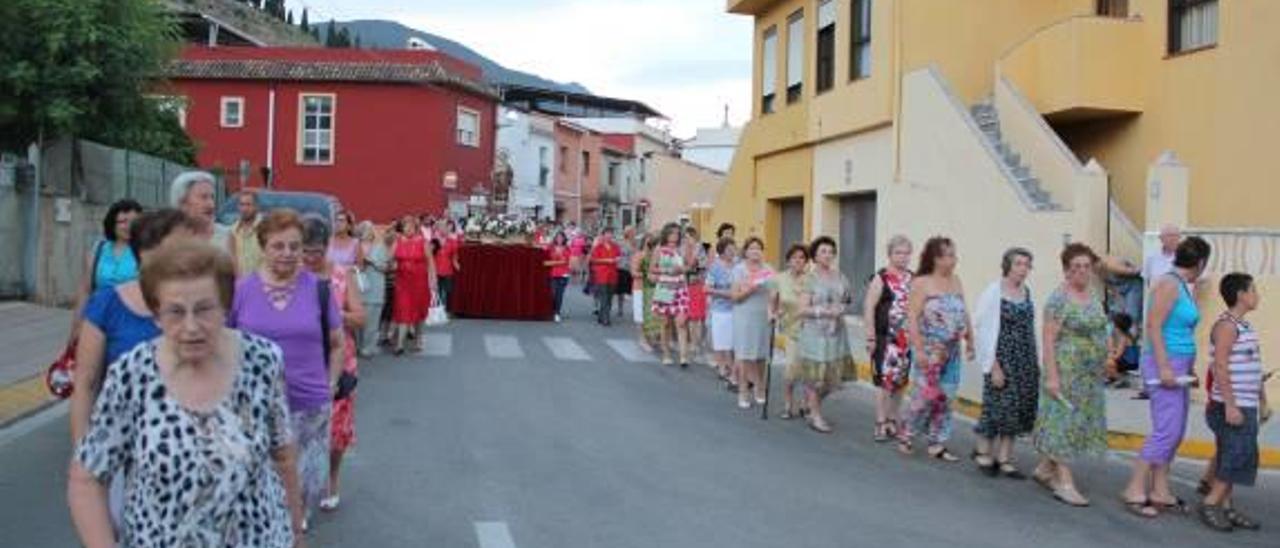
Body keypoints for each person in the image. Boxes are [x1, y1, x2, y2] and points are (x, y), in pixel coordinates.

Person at [67, 240, 303, 547]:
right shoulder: (132, 375)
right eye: (175, 312)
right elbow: (87, 478)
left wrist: (296, 532)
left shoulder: (263, 360)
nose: (191, 327)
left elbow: (282, 453)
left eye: (204, 309)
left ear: (225, 307)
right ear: (155, 314)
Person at [229, 209, 345, 530]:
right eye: (279, 246)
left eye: (294, 246)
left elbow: (337, 342)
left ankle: (294, 521)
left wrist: (331, 382)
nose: (288, 254)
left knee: (306, 477)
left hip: (309, 403)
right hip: (254, 406)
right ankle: (270, 525)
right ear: (263, 246)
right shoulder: (241, 291)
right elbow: (224, 344)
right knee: (259, 476)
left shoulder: (318, 289)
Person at [1121, 236, 1212, 516]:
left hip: (1178, 364)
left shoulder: (1182, 285)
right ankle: (1135, 488)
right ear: (1200, 262)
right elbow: (1154, 326)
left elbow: (1179, 329)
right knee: (1166, 431)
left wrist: (1189, 368)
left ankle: (1160, 490)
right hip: (1165, 363)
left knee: (1175, 431)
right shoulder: (1169, 283)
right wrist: (1164, 368)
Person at [1032, 243, 1109, 507]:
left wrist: (1105, 358)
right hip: (1065, 371)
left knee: (1074, 424)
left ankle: (1045, 468)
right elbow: (1048, 339)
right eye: (1076, 266)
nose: (1082, 271)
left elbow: (1101, 328)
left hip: (1087, 376)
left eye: (1087, 266)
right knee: (1062, 423)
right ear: (1066, 270)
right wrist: (1052, 377)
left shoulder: (1093, 296)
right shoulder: (1058, 299)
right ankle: (1064, 483)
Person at [298, 216, 366, 513]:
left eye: (315, 251)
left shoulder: (342, 274)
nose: (310, 258)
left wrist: (334, 314)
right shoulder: (294, 275)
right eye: (305, 251)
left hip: (341, 360)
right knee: (300, 429)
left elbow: (361, 317)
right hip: (302, 361)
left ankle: (332, 479)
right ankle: (299, 493)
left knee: (337, 429)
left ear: (326, 247)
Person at [1199, 273, 1267, 532]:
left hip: (1245, 403)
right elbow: (1219, 366)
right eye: (1253, 289)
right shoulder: (1227, 326)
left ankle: (1225, 508)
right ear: (1241, 294)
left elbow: (1253, 365)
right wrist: (1230, 405)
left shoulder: (1245, 326)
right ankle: (1210, 503)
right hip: (1231, 405)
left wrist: (1262, 400)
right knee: (1238, 456)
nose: (1257, 294)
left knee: (1235, 455)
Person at [899, 237, 974, 461]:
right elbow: (911, 317)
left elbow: (964, 311)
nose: (954, 259)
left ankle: (937, 442)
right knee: (924, 397)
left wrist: (970, 338)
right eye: (949, 255)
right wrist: (919, 350)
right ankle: (907, 434)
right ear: (936, 258)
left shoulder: (956, 280)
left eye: (954, 254)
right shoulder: (922, 283)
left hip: (952, 351)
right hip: (930, 351)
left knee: (946, 397)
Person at [971, 247, 1039, 478]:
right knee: (995, 406)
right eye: (1018, 263)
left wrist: (1034, 363)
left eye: (1027, 264)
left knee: (1016, 410)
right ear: (1008, 265)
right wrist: (993, 366)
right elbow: (981, 328)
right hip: (1001, 358)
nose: (1023, 269)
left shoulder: (1026, 292)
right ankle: (983, 451)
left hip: (1024, 359)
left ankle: (1005, 458)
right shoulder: (994, 291)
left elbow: (1029, 328)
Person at [793, 237, 854, 434]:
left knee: (833, 379)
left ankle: (810, 403)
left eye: (830, 251)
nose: (828, 255)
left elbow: (848, 300)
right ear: (815, 255)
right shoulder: (808, 279)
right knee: (816, 378)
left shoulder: (840, 276)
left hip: (836, 333)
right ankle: (815, 415)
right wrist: (825, 312)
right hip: (814, 334)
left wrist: (841, 308)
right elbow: (801, 309)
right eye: (823, 251)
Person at [66, 199, 144, 351]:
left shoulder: (145, 250)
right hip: (98, 318)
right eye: (122, 221)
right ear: (112, 224)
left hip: (130, 318)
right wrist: (76, 326)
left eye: (134, 222)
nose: (128, 226)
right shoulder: (99, 248)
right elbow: (85, 290)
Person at [863, 235, 914, 442]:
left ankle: (893, 419)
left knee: (900, 382)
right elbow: (868, 308)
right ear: (890, 254)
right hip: (886, 339)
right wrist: (870, 337)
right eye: (898, 253)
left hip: (907, 340)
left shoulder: (913, 278)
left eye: (906, 252)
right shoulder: (881, 278)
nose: (902, 257)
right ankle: (880, 422)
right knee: (885, 383)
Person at [731, 237, 776, 408]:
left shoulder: (769, 269)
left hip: (763, 316)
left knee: (761, 355)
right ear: (746, 251)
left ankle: (759, 388)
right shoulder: (739, 270)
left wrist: (774, 307)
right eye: (752, 248)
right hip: (744, 316)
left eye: (758, 248)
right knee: (744, 355)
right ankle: (744, 391)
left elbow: (774, 292)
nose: (755, 251)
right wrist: (751, 289)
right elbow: (734, 297)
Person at [390, 214, 437, 354]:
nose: (408, 228)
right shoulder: (397, 241)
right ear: (402, 228)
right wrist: (392, 264)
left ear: (416, 228)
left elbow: (430, 262)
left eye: (411, 226)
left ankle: (419, 338)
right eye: (405, 226)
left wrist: (433, 280)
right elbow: (390, 259)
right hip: (402, 282)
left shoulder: (423, 241)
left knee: (419, 311)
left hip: (420, 282)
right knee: (403, 309)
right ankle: (399, 344)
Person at [774, 244, 810, 420]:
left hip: (810, 330)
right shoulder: (780, 278)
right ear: (788, 260)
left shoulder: (812, 279)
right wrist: (772, 313)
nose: (798, 260)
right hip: (791, 329)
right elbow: (773, 301)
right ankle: (788, 404)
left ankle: (805, 403)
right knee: (791, 368)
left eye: (802, 257)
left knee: (807, 370)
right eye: (794, 257)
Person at [650, 224, 691, 365]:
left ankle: (683, 356)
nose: (675, 236)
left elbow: (689, 266)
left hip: (680, 287)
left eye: (677, 233)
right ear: (666, 234)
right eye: (672, 233)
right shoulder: (659, 250)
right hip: (665, 287)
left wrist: (682, 269)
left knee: (681, 322)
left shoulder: (682, 249)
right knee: (666, 322)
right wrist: (666, 270)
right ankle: (666, 354)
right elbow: (652, 268)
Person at [169, 171, 230, 251]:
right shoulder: (168, 239)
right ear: (183, 203)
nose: (211, 205)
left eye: (212, 197)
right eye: (203, 197)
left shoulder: (227, 236)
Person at [707, 237, 738, 385]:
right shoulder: (715, 267)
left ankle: (732, 367)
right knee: (721, 341)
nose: (732, 251)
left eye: (734, 248)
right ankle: (722, 368)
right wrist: (726, 294)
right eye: (729, 249)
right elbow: (706, 289)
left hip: (737, 308)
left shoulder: (738, 265)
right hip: (720, 309)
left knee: (732, 342)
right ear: (722, 251)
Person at [356, 221, 390, 357]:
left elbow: (385, 267)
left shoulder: (380, 246)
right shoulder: (355, 246)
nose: (368, 233)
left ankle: (368, 348)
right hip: (358, 286)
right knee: (358, 320)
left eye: (370, 230)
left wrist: (372, 262)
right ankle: (358, 346)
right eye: (365, 230)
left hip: (375, 286)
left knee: (372, 320)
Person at [683, 226, 709, 363]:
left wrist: (688, 264)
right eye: (685, 237)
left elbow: (698, 265)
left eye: (688, 237)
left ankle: (696, 343)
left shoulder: (699, 248)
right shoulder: (684, 249)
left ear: (694, 237)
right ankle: (691, 341)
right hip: (686, 284)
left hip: (697, 284)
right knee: (690, 315)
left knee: (696, 316)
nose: (686, 240)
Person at [589, 227, 622, 326]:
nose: (609, 236)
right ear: (603, 235)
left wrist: (618, 259)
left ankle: (601, 316)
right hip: (601, 274)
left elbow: (618, 256)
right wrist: (607, 260)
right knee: (604, 296)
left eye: (611, 234)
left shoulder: (615, 246)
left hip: (612, 274)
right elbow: (594, 260)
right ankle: (605, 318)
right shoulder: (598, 247)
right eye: (607, 234)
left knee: (610, 298)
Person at [227, 190, 263, 275]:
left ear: (257, 207)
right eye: (242, 204)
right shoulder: (233, 231)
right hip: (242, 284)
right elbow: (233, 261)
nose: (245, 209)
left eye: (248, 204)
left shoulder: (266, 228)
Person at [1142, 224, 1182, 292]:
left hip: (1180, 299)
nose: (1173, 239)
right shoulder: (1151, 257)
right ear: (1161, 238)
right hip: (1157, 299)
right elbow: (1147, 279)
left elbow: (1198, 281)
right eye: (1169, 236)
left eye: (1176, 236)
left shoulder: (1187, 256)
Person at [433, 219, 461, 313]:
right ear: (438, 229)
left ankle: (448, 310)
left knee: (449, 291)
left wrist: (456, 263)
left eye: (445, 228)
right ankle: (437, 309)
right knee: (437, 291)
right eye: (441, 227)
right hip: (436, 269)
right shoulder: (434, 241)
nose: (443, 230)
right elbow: (429, 255)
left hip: (447, 269)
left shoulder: (452, 241)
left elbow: (454, 255)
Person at [1105, 312, 1139, 387]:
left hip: (1129, 362)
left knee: (1108, 362)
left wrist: (1110, 354)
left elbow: (1118, 355)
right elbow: (1114, 349)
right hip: (1125, 359)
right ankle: (1112, 377)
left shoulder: (1124, 338)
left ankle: (1120, 379)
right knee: (1108, 359)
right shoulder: (1120, 336)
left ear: (1117, 326)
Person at [545, 231, 571, 322]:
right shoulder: (550, 247)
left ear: (564, 239)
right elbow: (545, 260)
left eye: (561, 237)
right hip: (553, 274)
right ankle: (551, 311)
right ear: (555, 238)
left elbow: (565, 261)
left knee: (559, 295)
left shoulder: (567, 248)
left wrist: (552, 263)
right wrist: (555, 262)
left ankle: (557, 313)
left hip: (563, 274)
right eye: (558, 237)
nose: (559, 239)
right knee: (552, 293)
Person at [616, 226, 636, 319]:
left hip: (631, 268)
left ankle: (635, 309)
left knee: (633, 290)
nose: (633, 233)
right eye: (631, 232)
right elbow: (618, 254)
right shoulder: (621, 242)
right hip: (622, 267)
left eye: (633, 232)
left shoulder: (635, 243)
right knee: (621, 291)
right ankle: (620, 309)